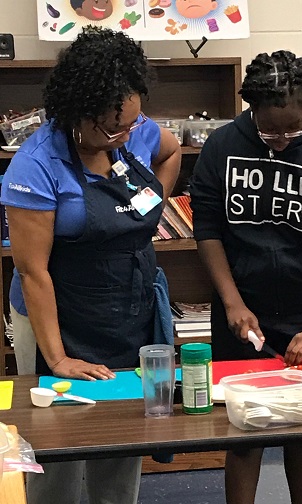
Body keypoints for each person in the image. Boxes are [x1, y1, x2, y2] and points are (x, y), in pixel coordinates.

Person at [0, 27, 181, 504]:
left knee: (123, 436)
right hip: (58, 311)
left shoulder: (134, 129)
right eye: (111, 128)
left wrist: (151, 204)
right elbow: (32, 272)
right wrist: (58, 358)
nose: (124, 136)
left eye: (131, 124)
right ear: (77, 110)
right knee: (58, 444)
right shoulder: (36, 164)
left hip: (128, 306)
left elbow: (172, 149)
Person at [190, 50, 302, 504]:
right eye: (270, 129)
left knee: (301, 430)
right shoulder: (223, 146)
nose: (282, 138)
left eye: (293, 128)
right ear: (251, 109)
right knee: (244, 430)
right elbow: (207, 227)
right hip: (242, 308)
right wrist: (231, 303)